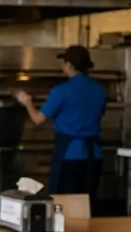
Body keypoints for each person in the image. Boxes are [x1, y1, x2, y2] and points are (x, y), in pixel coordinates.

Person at [15, 45, 106, 207]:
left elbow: (37, 119)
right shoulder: (99, 89)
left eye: (64, 62)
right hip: (94, 155)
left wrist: (27, 102)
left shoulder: (62, 90)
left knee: (65, 204)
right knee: (88, 205)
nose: (62, 66)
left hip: (69, 155)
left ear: (70, 65)